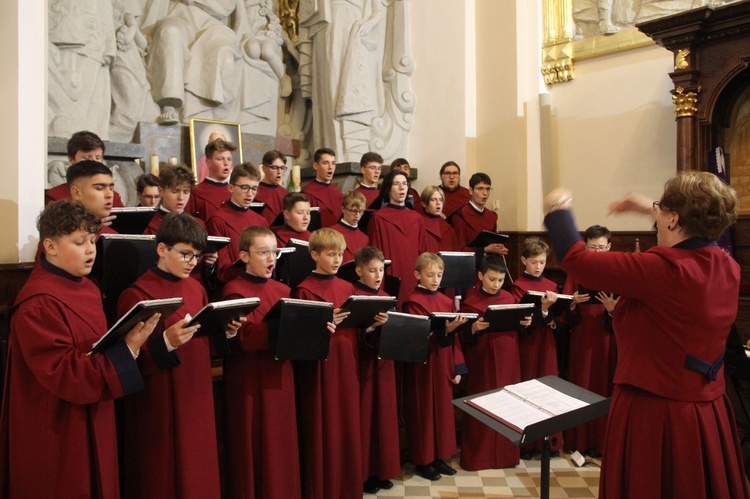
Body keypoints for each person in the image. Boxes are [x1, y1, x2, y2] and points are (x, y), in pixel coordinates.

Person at [544, 172, 748, 498]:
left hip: (656, 410)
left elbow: (577, 261)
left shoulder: (662, 269)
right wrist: (650, 206)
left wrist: (558, 209)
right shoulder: (727, 266)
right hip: (706, 409)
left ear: (673, 219)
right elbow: (690, 221)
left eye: (662, 211)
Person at [0, 201, 159, 498]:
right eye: (79, 242)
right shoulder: (38, 303)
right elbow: (66, 373)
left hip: (93, 410)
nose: (90, 250)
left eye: (93, 241)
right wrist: (128, 350)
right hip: (57, 425)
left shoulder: (85, 287)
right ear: (50, 246)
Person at [117, 212, 242, 499]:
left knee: (199, 465)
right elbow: (128, 359)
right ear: (162, 249)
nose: (192, 263)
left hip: (196, 389)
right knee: (164, 471)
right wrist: (165, 342)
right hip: (160, 396)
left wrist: (227, 331)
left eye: (196, 256)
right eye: (185, 254)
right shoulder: (136, 294)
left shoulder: (196, 288)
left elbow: (202, 340)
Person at [221, 226, 301, 499]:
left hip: (281, 374)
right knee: (255, 442)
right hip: (251, 379)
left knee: (281, 442)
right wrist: (284, 326)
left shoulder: (283, 289)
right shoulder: (234, 290)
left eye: (275, 252)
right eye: (264, 252)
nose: (271, 259)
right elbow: (243, 338)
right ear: (244, 255)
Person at [292, 228, 362, 498]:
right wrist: (320, 322)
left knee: (346, 425)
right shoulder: (304, 289)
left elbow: (356, 327)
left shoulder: (347, 287)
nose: (336, 259)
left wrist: (370, 325)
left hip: (347, 364)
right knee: (324, 426)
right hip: (321, 368)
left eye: (340, 254)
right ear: (314, 255)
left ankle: (347, 486)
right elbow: (298, 337)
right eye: (330, 254)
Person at [459, 255, 531, 471]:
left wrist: (525, 324)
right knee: (483, 406)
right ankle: (478, 458)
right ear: (480, 276)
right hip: (483, 361)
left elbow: (520, 329)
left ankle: (506, 456)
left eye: (500, 280)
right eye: (492, 279)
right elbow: (461, 335)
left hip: (509, 358)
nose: (496, 284)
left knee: (508, 406)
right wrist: (473, 329)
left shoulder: (510, 298)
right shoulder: (470, 301)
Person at [402, 252, 468, 481]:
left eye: (439, 275)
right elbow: (415, 337)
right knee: (424, 412)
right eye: (430, 275)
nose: (435, 279)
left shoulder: (446, 301)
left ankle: (439, 456)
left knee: (442, 412)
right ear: (417, 275)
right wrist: (444, 331)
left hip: (443, 365)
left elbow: (456, 339)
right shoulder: (412, 302)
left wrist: (458, 367)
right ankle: (424, 460)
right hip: (423, 365)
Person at [561, 225, 619, 458]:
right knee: (582, 386)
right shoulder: (576, 271)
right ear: (585, 247)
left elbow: (631, 309)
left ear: (609, 247)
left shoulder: (618, 270)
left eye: (601, 248)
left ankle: (604, 443)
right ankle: (580, 441)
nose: (596, 252)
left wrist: (613, 310)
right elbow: (564, 308)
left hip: (608, 341)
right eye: (592, 247)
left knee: (606, 388)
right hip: (583, 339)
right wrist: (572, 302)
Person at [352, 246, 399, 494]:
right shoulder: (354, 296)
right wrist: (370, 328)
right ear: (359, 271)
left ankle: (382, 469)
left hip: (385, 365)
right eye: (372, 270)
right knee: (366, 418)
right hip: (363, 367)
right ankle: (365, 473)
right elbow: (352, 334)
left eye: (381, 270)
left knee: (384, 417)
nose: (378, 275)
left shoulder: (386, 295)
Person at [510, 237, 562, 456]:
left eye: (541, 262)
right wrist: (542, 311)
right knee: (527, 389)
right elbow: (517, 317)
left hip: (547, 344)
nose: (538, 266)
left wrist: (552, 318)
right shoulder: (517, 287)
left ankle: (549, 442)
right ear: (523, 261)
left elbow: (561, 318)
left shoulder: (551, 286)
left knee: (548, 390)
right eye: (533, 262)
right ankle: (528, 443)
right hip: (528, 344)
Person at [143, 165, 218, 282]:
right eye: (175, 191)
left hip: (193, 287)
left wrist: (210, 264)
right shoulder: (147, 223)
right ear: (161, 191)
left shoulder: (199, 224)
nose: (181, 198)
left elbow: (203, 273)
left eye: (186, 192)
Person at [367, 169, 428, 304]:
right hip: (391, 276)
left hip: (413, 276)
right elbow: (375, 256)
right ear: (388, 189)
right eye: (396, 184)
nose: (402, 187)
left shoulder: (417, 218)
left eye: (405, 183)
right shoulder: (378, 218)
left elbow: (423, 253)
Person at [207, 163, 269, 284]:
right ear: (230, 188)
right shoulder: (218, 219)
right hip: (235, 283)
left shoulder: (261, 221)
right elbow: (223, 268)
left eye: (254, 188)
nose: (250, 194)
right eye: (245, 187)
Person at [45, 130, 125, 207]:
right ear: (71, 160)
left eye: (98, 158)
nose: (93, 162)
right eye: (87, 158)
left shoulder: (113, 197)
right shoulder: (55, 197)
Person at [451, 172, 508, 259]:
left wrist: (499, 249)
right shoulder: (460, 216)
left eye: (488, 189)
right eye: (480, 188)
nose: (485, 193)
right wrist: (484, 250)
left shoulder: (491, 216)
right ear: (470, 191)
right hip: (469, 265)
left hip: (489, 265)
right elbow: (460, 250)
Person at [185, 138, 236, 222]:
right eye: (220, 159)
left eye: (229, 159)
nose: (226, 163)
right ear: (209, 163)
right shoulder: (195, 193)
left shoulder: (235, 192)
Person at [67, 160, 119, 234]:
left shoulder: (111, 234)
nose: (110, 195)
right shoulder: (60, 232)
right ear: (76, 193)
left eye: (111, 188)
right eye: (99, 188)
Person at [302, 148, 343, 227]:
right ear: (316, 166)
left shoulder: (339, 195)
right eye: (325, 163)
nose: (330, 167)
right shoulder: (308, 193)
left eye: (333, 163)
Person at [329, 190, 370, 263]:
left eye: (360, 211)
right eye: (353, 211)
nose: (357, 215)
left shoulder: (364, 238)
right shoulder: (331, 232)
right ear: (343, 209)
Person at [420, 185, 459, 252]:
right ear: (424, 203)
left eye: (440, 200)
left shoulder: (448, 229)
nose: (438, 203)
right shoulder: (418, 224)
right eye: (433, 200)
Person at [254, 149, 289, 225]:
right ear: (264, 169)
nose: (279, 172)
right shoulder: (254, 192)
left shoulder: (286, 193)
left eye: (282, 168)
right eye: (274, 168)